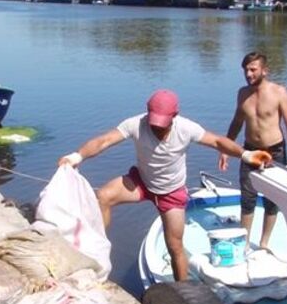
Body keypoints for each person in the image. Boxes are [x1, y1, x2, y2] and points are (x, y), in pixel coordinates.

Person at [59, 89, 272, 281]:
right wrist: (77, 156)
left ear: (174, 117)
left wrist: (246, 154)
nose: (157, 129)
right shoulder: (137, 124)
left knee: (175, 246)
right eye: (154, 124)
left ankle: (184, 289)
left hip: (171, 193)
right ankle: (97, 251)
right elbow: (104, 141)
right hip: (142, 182)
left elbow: (217, 141)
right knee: (104, 196)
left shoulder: (186, 128)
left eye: (162, 125)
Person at [218, 51, 287, 251]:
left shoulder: (279, 92)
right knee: (247, 198)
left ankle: (264, 243)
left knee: (272, 201)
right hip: (250, 151)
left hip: (275, 151)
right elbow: (237, 122)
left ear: (265, 70)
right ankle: (244, 244)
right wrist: (226, 149)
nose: (248, 74)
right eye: (246, 70)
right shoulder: (242, 93)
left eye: (253, 70)